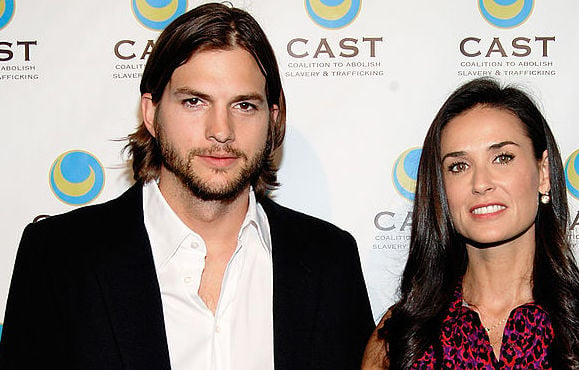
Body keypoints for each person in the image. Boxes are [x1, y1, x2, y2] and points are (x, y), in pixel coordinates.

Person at [0, 3, 374, 369]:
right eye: (194, 101)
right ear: (151, 112)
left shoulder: (331, 261)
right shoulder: (59, 259)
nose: (221, 131)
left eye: (244, 105)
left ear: (272, 119)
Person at [362, 78, 579, 369]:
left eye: (502, 158)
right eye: (459, 166)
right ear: (441, 188)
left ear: (544, 172)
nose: (481, 183)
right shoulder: (399, 335)